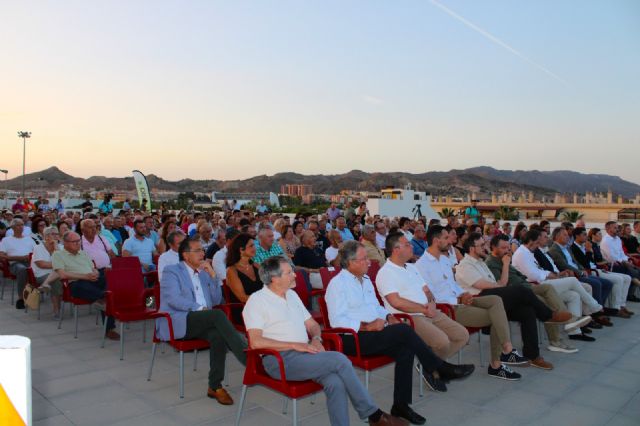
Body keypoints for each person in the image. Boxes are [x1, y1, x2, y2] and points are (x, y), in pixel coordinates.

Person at [243, 256, 407, 426]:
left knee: (335, 383)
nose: (295, 275)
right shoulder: (257, 301)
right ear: (274, 278)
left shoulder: (291, 295)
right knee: (340, 360)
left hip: (304, 354)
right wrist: (295, 345)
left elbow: (312, 324)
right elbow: (256, 342)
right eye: (289, 272)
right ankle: (373, 415)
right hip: (279, 360)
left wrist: (316, 338)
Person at [326, 240, 474, 425]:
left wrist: (388, 317)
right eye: (364, 259)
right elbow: (337, 321)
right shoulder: (337, 284)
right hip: (352, 337)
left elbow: (376, 307)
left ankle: (401, 405)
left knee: (406, 349)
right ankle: (438, 367)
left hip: (375, 331)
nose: (369, 262)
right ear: (350, 263)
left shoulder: (364, 280)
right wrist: (367, 326)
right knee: (404, 331)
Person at [378, 233, 526, 381]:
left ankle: (432, 365)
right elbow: (396, 302)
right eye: (407, 244)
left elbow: (427, 291)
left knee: (464, 334)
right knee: (443, 341)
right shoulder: (386, 273)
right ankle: (436, 366)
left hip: (432, 309)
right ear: (396, 250)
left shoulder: (411, 267)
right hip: (410, 316)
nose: (412, 247)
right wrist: (425, 309)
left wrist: (436, 303)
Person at [423, 226, 571, 370]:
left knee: (527, 311)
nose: (451, 241)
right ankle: (546, 317)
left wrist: (461, 294)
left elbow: (454, 287)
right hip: (474, 300)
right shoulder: (459, 265)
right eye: (446, 237)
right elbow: (434, 296)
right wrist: (460, 298)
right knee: (518, 292)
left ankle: (532, 356)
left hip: (478, 298)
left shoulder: (447, 261)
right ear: (437, 240)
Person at [157, 237, 247, 405]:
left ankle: (214, 386)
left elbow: (215, 299)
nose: (202, 253)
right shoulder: (172, 271)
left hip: (203, 320)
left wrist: (213, 276)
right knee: (217, 315)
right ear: (185, 255)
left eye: (202, 250)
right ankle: (248, 358)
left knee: (218, 335)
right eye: (197, 250)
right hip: (179, 320)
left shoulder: (204, 272)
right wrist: (199, 308)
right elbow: (173, 300)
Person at [485, 234, 590, 352]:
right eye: (503, 248)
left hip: (527, 286)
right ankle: (557, 338)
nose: (507, 250)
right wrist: (505, 265)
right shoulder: (492, 263)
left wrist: (528, 281)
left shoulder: (504, 258)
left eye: (508, 248)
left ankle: (566, 324)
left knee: (553, 290)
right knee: (547, 301)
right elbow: (502, 285)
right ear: (493, 247)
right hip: (517, 293)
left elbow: (520, 275)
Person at [512, 229, 605, 341]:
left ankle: (574, 330)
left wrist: (550, 274)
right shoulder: (521, 253)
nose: (537, 246)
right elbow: (532, 275)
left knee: (573, 295)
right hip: (536, 287)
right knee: (572, 281)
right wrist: (548, 274)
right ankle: (594, 306)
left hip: (544, 283)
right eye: (537, 242)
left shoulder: (528, 252)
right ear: (531, 241)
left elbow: (538, 270)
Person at [52, 231, 119, 339]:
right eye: (74, 242)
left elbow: (93, 268)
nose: (78, 243)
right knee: (90, 289)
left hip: (91, 279)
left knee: (110, 278)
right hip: (75, 282)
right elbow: (62, 275)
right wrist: (85, 277)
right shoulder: (58, 254)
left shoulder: (82, 253)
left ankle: (102, 298)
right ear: (65, 243)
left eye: (79, 241)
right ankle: (105, 303)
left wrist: (95, 273)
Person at [547, 227, 620, 316]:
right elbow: (564, 265)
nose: (568, 237)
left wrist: (582, 269)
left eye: (567, 235)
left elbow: (575, 262)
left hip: (580, 272)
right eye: (565, 235)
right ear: (557, 236)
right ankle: (596, 313)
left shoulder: (567, 248)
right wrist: (580, 272)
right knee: (596, 284)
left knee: (607, 283)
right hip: (572, 275)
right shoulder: (554, 250)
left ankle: (600, 308)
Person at [571, 227, 634, 315]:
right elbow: (585, 264)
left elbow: (595, 260)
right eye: (584, 234)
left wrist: (590, 251)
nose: (586, 237)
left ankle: (621, 305)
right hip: (590, 270)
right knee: (618, 280)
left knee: (627, 277)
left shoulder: (585, 246)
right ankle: (614, 308)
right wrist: (589, 251)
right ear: (577, 236)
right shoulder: (574, 248)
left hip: (597, 268)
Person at [0, 218, 36, 309]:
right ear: (12, 227)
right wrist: (20, 258)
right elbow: (2, 256)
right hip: (15, 263)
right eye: (18, 225)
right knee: (22, 269)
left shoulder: (29, 239)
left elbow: (36, 251)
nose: (21, 227)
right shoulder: (6, 240)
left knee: (38, 268)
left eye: (22, 225)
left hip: (30, 261)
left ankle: (34, 295)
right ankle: (21, 298)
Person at [31, 226, 63, 317]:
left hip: (58, 273)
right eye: (53, 234)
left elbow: (63, 262)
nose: (56, 236)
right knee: (56, 281)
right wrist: (57, 265)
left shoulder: (60, 247)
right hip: (41, 274)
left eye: (57, 234)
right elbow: (41, 265)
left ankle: (46, 284)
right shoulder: (38, 247)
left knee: (58, 277)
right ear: (46, 236)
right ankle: (57, 309)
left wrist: (56, 247)